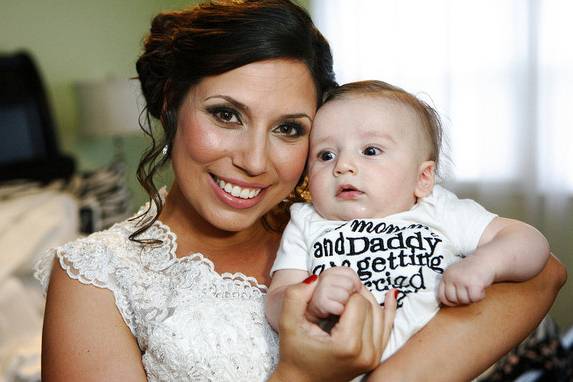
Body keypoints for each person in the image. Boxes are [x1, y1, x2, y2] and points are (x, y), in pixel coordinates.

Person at [34, 1, 566, 381]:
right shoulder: (95, 276)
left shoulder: (337, 207)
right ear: (172, 101)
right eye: (226, 114)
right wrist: (302, 376)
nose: (254, 161)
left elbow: (544, 272)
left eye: (289, 128)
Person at [265, 80, 551, 374]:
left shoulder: (437, 208)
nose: (343, 165)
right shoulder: (307, 221)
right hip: (344, 366)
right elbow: (276, 299)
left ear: (423, 178)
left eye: (371, 151)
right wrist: (309, 301)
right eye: (326, 155)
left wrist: (483, 265)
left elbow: (528, 241)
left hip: (447, 359)